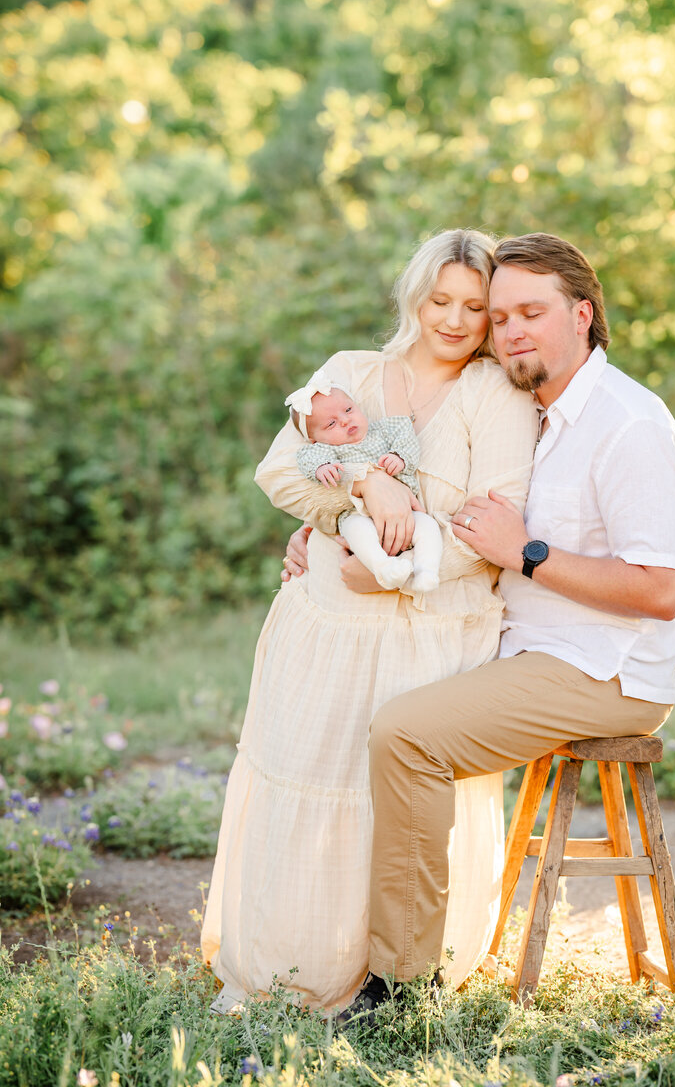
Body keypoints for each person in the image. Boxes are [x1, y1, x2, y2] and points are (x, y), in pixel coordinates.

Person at [329, 231, 675, 1024]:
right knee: (368, 697)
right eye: (500, 318)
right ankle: (332, 936)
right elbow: (422, 486)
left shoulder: (628, 424)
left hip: (602, 669)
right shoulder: (527, 406)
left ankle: (401, 989)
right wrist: (329, 524)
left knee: (407, 734)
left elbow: (661, 590)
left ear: (583, 316)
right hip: (523, 646)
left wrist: (525, 553)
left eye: (532, 312)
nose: (511, 331)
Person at [200, 229, 536, 1013]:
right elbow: (280, 470)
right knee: (303, 781)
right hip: (320, 621)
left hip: (430, 626)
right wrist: (362, 491)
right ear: (413, 295)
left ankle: (384, 973)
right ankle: (288, 965)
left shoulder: (499, 395)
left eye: (474, 307)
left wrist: (399, 570)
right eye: (440, 299)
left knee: (385, 800)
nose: (453, 320)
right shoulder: (350, 374)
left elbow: (497, 519)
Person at [286, 374, 443, 592]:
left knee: (428, 526)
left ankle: (426, 572)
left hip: (405, 511)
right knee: (355, 530)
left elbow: (406, 436)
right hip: (358, 514)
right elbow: (307, 458)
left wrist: (399, 456)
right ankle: (384, 567)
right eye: (331, 423)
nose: (344, 420)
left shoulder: (384, 430)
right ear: (314, 439)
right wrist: (322, 468)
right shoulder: (325, 449)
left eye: (348, 410)